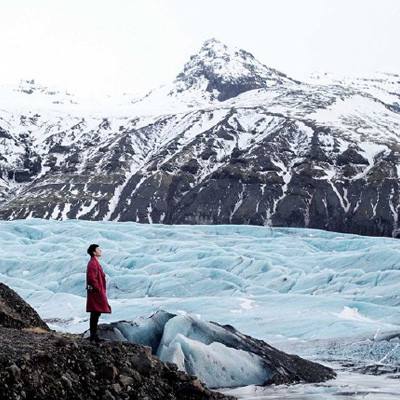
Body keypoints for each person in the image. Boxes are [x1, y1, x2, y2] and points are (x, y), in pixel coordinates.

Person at [86, 244, 112, 343]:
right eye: (98, 249)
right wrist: (98, 289)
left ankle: (94, 335)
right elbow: (91, 278)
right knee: (95, 313)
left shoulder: (95, 262)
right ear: (94, 252)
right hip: (96, 292)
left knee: (96, 313)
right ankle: (93, 336)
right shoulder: (92, 263)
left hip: (97, 291)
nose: (100, 250)